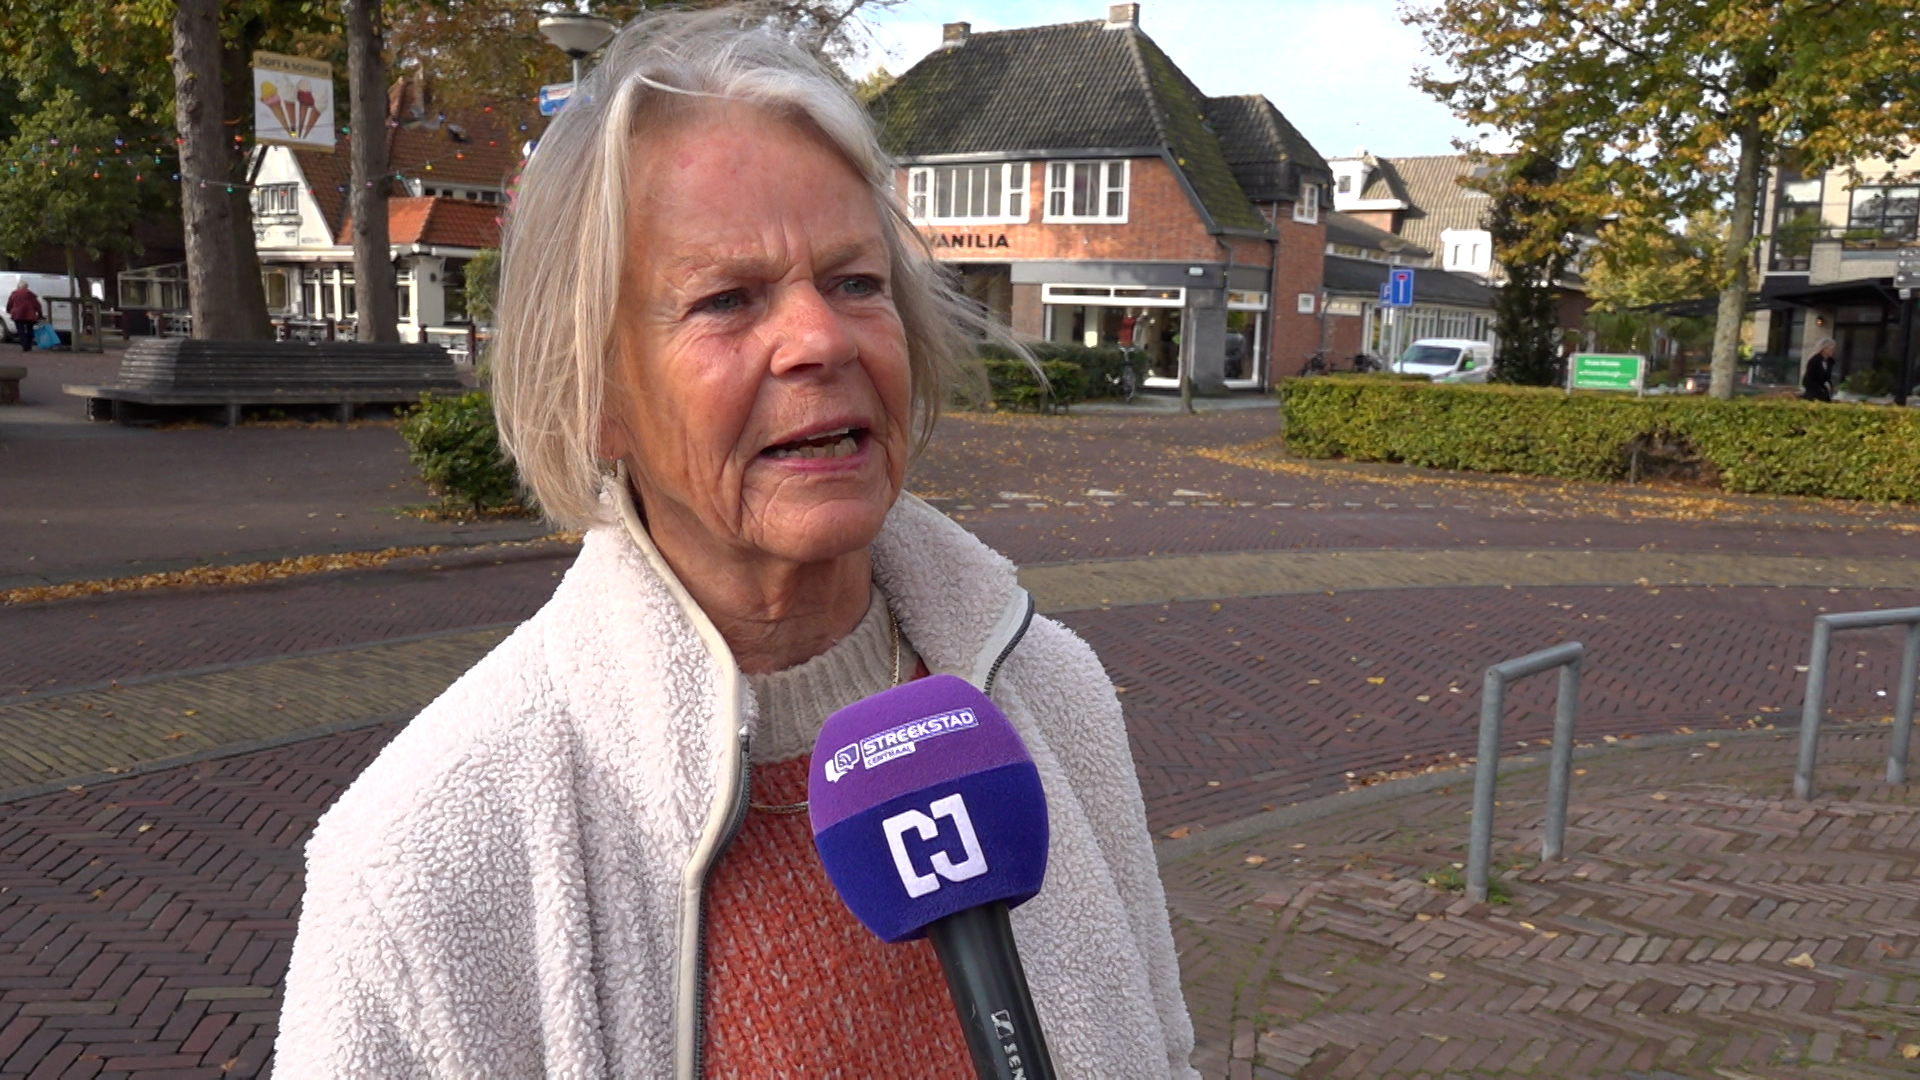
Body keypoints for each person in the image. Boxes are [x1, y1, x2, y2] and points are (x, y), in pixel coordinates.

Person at [277, 9, 1199, 1078]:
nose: (820, 339)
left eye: (856, 282)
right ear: (594, 397)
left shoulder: (1055, 699)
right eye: (727, 299)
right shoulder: (422, 861)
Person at [6, 279, 41, 353]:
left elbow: (10, 304)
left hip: (18, 314)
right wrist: (40, 313)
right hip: (29, 314)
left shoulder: (14, 294)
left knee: (20, 330)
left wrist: (9, 311)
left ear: (18, 286)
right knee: (30, 329)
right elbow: (37, 305)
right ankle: (28, 344)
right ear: (26, 287)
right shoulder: (30, 294)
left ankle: (24, 344)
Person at [1801, 337, 1837, 402]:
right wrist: (1819, 390)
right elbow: (1808, 379)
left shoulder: (1829, 362)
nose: (1833, 351)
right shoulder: (1814, 361)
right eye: (1831, 349)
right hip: (1814, 394)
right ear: (1824, 349)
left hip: (1825, 393)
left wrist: (1831, 387)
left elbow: (1827, 378)